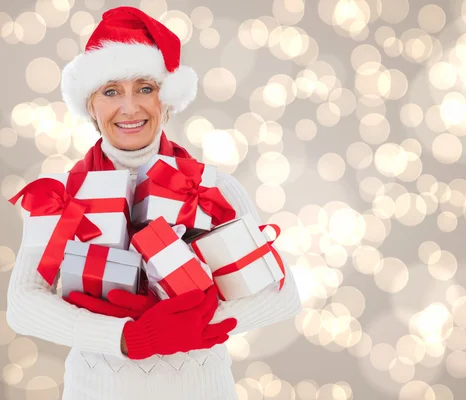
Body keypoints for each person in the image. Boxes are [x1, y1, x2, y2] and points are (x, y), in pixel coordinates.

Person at [6, 6, 302, 400]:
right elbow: (23, 304)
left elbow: (283, 294)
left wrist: (192, 325)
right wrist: (129, 337)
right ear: (90, 104)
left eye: (145, 88)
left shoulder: (212, 189)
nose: (130, 108)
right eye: (111, 91)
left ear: (168, 99)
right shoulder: (59, 195)